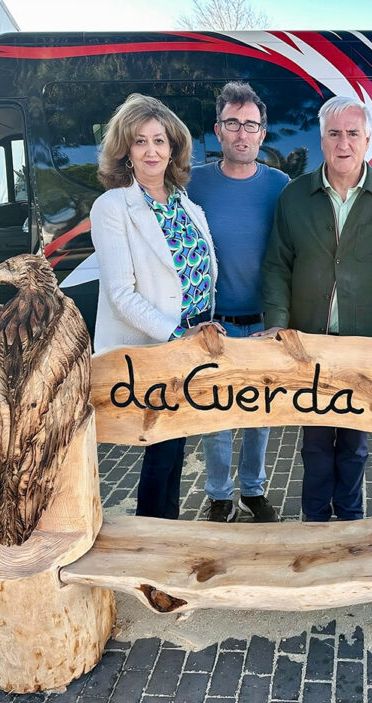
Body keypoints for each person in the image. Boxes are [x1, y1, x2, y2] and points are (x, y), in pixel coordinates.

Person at [263, 95, 372, 522]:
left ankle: (350, 522)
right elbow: (277, 265)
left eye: (353, 133)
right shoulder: (294, 197)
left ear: (368, 139)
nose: (343, 143)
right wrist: (277, 325)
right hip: (310, 345)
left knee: (355, 442)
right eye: (334, 133)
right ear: (322, 140)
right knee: (314, 441)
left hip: (364, 345)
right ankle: (315, 524)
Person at [92, 93, 220, 520]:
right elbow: (120, 294)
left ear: (173, 148)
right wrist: (177, 335)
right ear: (125, 150)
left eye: (160, 140)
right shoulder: (113, 207)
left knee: (175, 448)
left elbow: (201, 273)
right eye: (140, 141)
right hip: (155, 350)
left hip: (192, 343)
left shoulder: (185, 203)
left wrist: (204, 327)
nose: (152, 151)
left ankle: (166, 533)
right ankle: (155, 535)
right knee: (162, 452)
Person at [188, 82, 289, 523]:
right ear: (218, 130)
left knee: (259, 415)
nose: (242, 133)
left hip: (263, 323)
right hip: (213, 325)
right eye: (233, 123)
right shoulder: (194, 183)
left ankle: (253, 489)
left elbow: (291, 252)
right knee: (214, 418)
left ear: (262, 133)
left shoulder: (280, 186)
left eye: (250, 124)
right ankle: (219, 495)